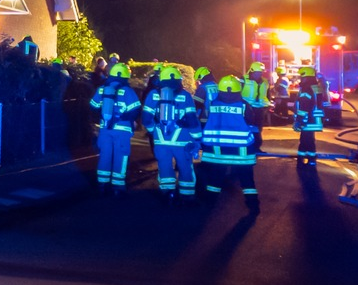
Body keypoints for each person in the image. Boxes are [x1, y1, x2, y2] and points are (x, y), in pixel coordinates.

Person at [201, 75, 260, 214]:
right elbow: (251, 122)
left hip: (217, 151)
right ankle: (253, 205)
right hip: (242, 151)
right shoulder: (244, 105)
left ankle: (209, 203)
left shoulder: (213, 104)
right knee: (247, 179)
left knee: (215, 178)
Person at [142, 66, 201, 204]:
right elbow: (192, 120)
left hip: (161, 141)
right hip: (182, 141)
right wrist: (197, 137)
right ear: (179, 80)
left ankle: (168, 193)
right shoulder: (185, 95)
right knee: (185, 167)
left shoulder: (153, 94)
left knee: (164, 166)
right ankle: (187, 196)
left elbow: (146, 119)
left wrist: (153, 131)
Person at [89, 62, 141, 196]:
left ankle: (102, 184)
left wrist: (104, 116)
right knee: (121, 156)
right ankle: (118, 187)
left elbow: (93, 106)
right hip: (122, 131)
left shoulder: (102, 89)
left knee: (105, 155)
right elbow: (135, 109)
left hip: (105, 129)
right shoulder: (128, 90)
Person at [293, 65, 326, 167]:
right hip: (315, 119)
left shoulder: (306, 89)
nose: (300, 79)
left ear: (306, 77)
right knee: (310, 139)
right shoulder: (316, 87)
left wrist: (299, 120)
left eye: (302, 77)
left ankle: (302, 159)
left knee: (304, 140)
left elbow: (304, 106)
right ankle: (311, 159)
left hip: (307, 119)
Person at [241, 61, 271, 152]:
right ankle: (247, 146)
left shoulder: (265, 81)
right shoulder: (243, 79)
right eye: (257, 72)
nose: (259, 74)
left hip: (259, 109)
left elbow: (267, 95)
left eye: (261, 72)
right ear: (252, 71)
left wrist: (267, 106)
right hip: (247, 109)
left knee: (257, 128)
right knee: (247, 128)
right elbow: (238, 93)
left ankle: (256, 147)